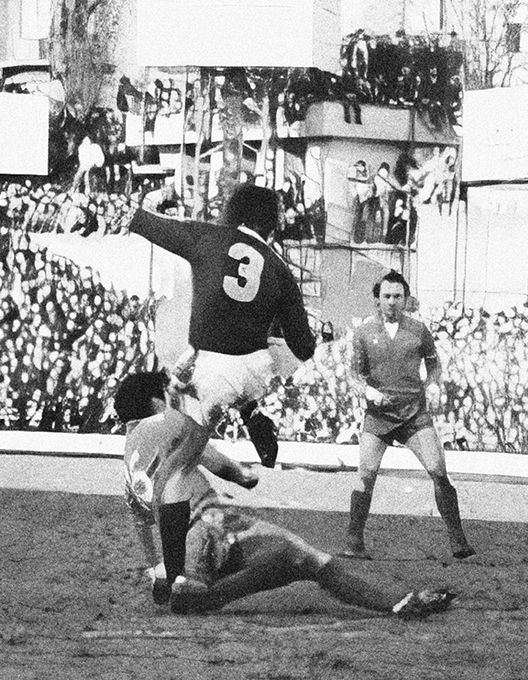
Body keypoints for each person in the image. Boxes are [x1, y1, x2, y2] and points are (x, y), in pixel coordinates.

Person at [116, 371, 453, 619]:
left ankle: (190, 587)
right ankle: (394, 604)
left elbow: (139, 518)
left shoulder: (132, 454)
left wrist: (157, 568)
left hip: (192, 541)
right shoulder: (167, 426)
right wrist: (246, 474)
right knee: (307, 559)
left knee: (286, 562)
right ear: (156, 402)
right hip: (211, 526)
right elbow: (225, 466)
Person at [128, 183, 318, 600]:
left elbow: (145, 224)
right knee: (191, 383)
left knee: (177, 467)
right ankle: (250, 412)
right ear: (271, 223)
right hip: (253, 369)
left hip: (209, 368)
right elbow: (304, 347)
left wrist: (143, 209)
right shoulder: (281, 269)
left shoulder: (209, 236)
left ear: (232, 211)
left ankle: (174, 572)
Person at [340, 271, 473, 560]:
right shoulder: (364, 333)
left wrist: (434, 384)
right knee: (365, 475)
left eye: (397, 296)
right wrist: (367, 391)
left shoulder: (418, 330)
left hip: (414, 414)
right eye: (386, 296)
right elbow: (353, 373)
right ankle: (354, 541)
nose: (392, 302)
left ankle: (458, 541)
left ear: (406, 299)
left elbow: (434, 365)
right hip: (378, 417)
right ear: (377, 300)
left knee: (438, 472)